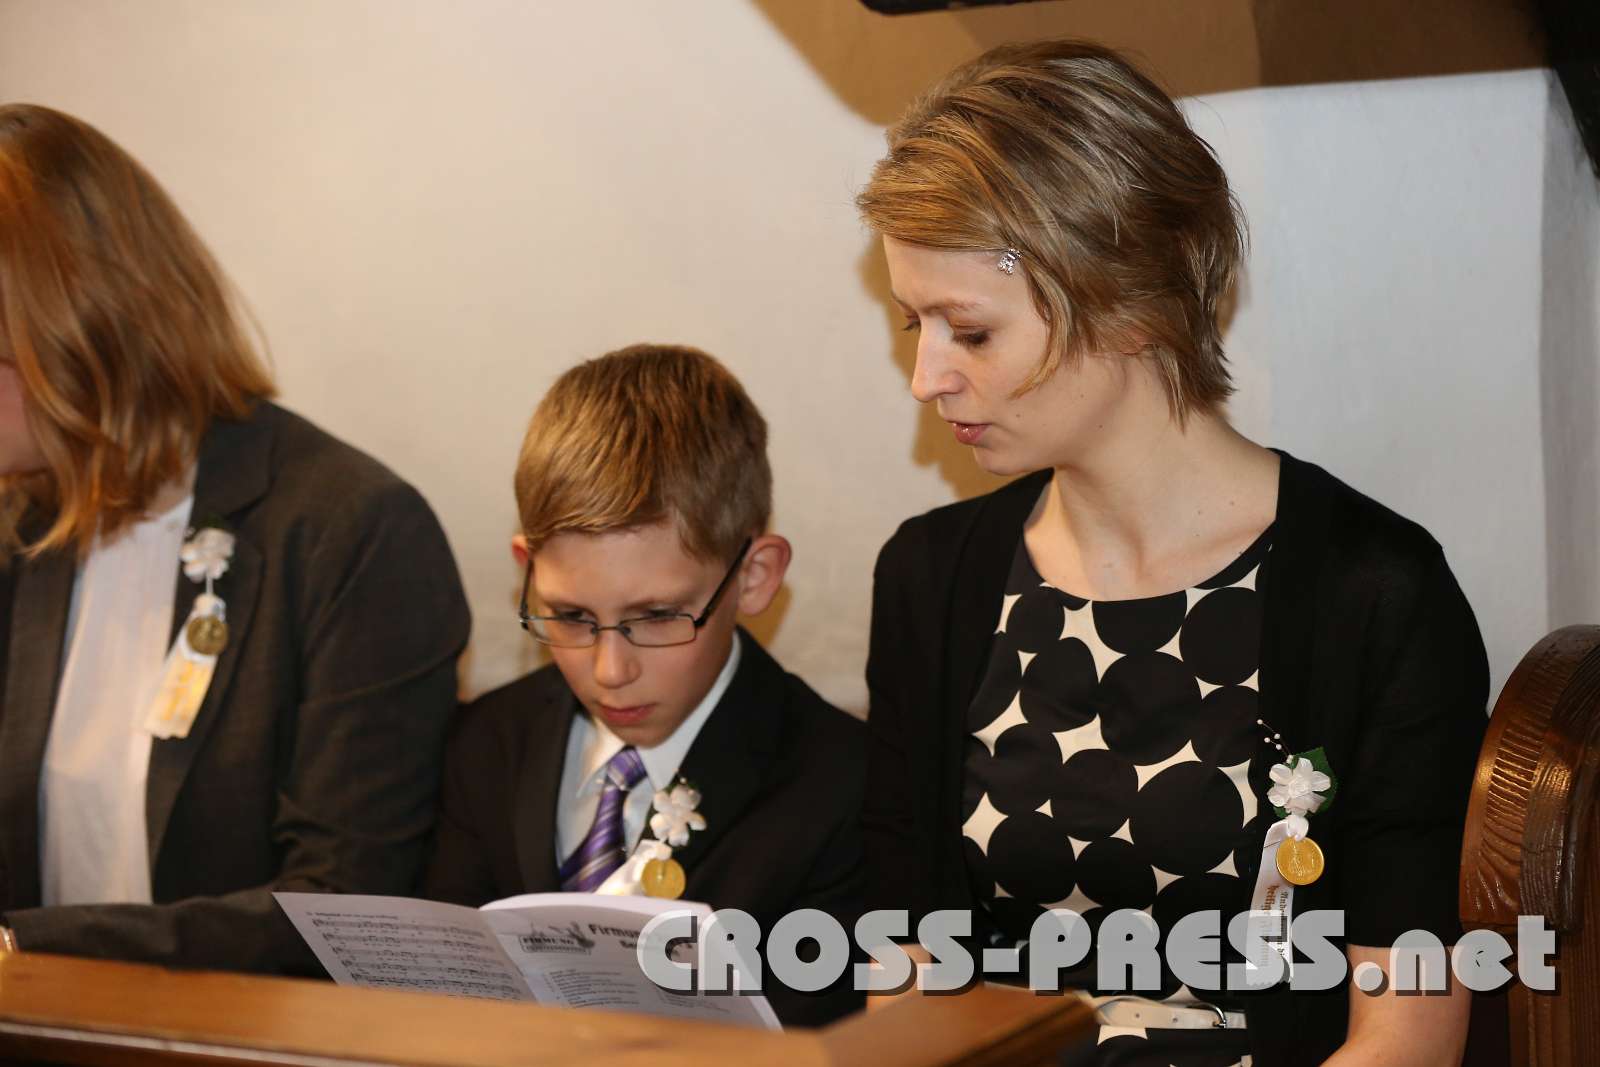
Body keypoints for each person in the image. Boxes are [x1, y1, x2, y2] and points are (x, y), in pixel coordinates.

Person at [856, 40, 1488, 1066]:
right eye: (912, 323)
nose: (926, 376)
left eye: (969, 332)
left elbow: (1407, 1027)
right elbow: (906, 965)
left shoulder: (1371, 594)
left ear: (1130, 306)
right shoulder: (932, 577)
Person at [0, 104, 470, 973]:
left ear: (89, 326)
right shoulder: (19, 526)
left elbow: (342, 910)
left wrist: (22, 946)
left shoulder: (350, 531)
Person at [421, 343, 866, 1026]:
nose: (610, 671)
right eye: (571, 616)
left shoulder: (844, 784)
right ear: (527, 568)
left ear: (754, 577)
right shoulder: (489, 743)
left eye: (657, 616)